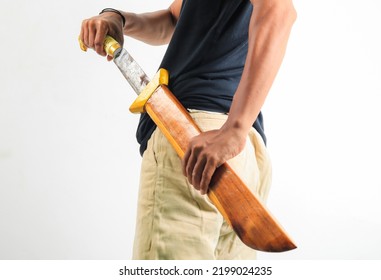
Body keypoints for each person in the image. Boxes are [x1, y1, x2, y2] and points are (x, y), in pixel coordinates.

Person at [79, 0, 296, 260]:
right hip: (237, 156)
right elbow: (174, 20)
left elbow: (278, 9)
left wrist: (235, 129)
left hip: (195, 141)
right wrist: (120, 19)